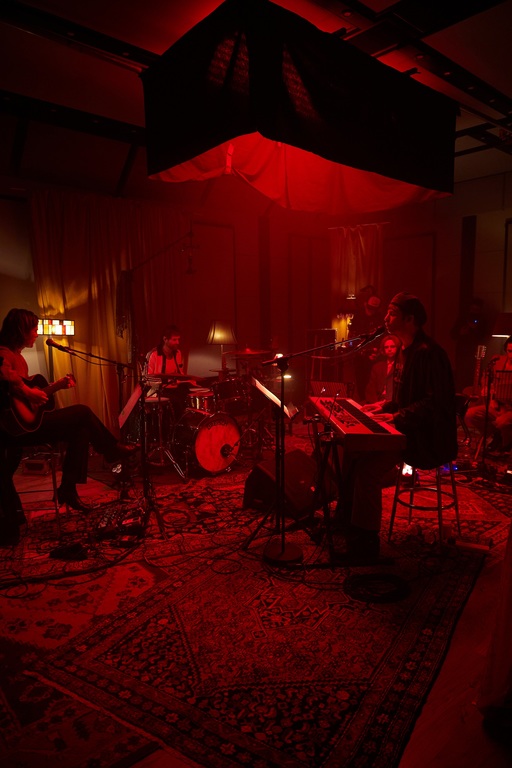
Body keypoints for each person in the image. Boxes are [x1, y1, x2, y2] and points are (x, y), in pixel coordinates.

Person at [333, 292, 457, 563]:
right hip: (408, 427)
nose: (386, 318)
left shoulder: (430, 354)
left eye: (391, 313)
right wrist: (385, 407)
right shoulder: (407, 350)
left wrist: (397, 417)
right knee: (353, 454)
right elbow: (407, 398)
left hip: (425, 436)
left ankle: (366, 545)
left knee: (366, 470)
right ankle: (346, 524)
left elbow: (435, 403)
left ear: (409, 319)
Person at [0, 308, 136, 545]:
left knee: (80, 429)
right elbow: (7, 377)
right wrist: (26, 391)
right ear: (21, 330)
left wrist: (56, 387)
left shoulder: (19, 357)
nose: (36, 334)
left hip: (28, 424)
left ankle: (68, 489)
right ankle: (111, 450)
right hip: (14, 430)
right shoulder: (3, 352)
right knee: (82, 411)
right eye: (33, 329)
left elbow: (32, 399)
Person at [465, 335, 512, 455]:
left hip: (510, 409)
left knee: (502, 421)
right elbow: (486, 378)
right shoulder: (497, 361)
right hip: (496, 405)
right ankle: (494, 435)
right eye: (510, 351)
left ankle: (504, 443)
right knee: (470, 413)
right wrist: (490, 395)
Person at [364, 334, 401, 404]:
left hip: (393, 404)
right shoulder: (377, 367)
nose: (389, 349)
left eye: (392, 346)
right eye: (386, 347)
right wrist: (375, 404)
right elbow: (371, 389)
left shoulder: (401, 366)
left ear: (398, 348)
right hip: (378, 402)